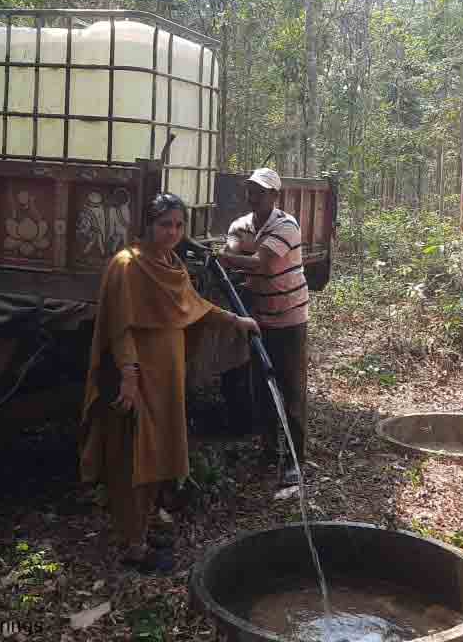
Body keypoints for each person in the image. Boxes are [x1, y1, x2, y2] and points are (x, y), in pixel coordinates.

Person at [79, 192, 259, 573]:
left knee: (159, 452)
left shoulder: (172, 263)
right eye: (165, 225)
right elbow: (119, 326)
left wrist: (235, 322)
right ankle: (132, 545)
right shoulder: (127, 266)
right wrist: (128, 375)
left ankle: (142, 529)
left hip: (166, 378)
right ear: (148, 225)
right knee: (135, 455)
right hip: (138, 377)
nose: (173, 233)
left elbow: (194, 306)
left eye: (178, 226)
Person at [217, 168, 310, 487]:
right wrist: (227, 255)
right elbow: (230, 248)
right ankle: (269, 451)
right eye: (251, 190)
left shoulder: (287, 225)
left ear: (275, 196)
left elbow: (260, 262)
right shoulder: (240, 225)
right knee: (263, 389)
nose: (254, 195)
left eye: (262, 191)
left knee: (291, 391)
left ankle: (295, 459)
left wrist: (226, 257)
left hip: (290, 319)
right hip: (259, 318)